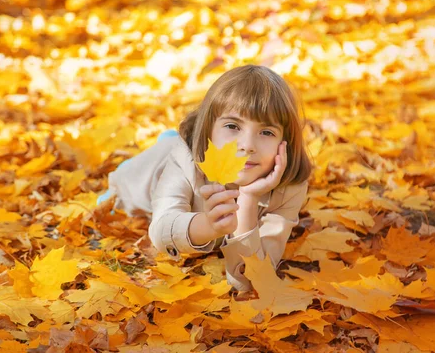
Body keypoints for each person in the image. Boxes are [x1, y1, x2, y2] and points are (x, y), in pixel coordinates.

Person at [100, 65, 313, 291]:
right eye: (233, 126)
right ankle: (163, 145)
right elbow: (161, 232)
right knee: (128, 183)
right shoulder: (185, 159)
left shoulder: (290, 187)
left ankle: (174, 138)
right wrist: (208, 226)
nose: (248, 145)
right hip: (144, 178)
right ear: (208, 129)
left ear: (285, 143)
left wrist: (248, 201)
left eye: (266, 132)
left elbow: (252, 280)